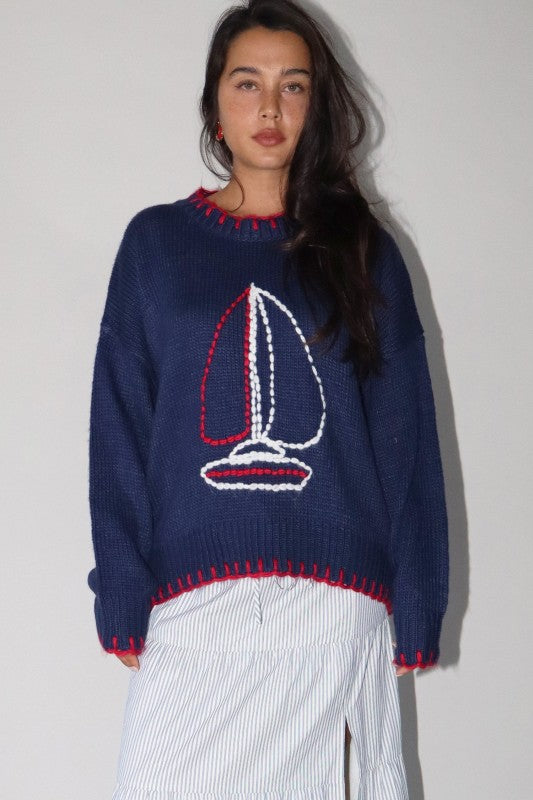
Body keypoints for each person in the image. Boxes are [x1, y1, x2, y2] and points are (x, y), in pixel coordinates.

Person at [87, 1, 449, 797]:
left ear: (316, 106)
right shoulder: (155, 245)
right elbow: (119, 424)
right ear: (215, 104)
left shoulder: (363, 251)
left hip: (334, 600)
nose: (270, 108)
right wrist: (120, 584)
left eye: (293, 86)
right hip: (193, 597)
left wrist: (419, 595)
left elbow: (405, 434)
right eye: (247, 83)